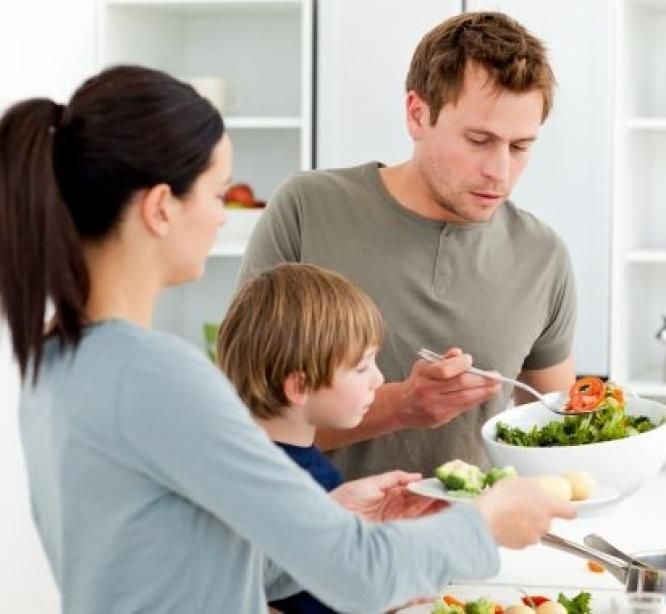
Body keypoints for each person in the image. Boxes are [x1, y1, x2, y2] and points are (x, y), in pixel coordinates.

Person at [0, 64, 574, 613]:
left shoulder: (56, 356)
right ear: (160, 208)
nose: (223, 217)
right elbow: (358, 573)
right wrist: (486, 522)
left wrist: (330, 514)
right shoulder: (157, 375)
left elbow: (174, 558)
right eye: (218, 194)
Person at [240, 11, 578, 480]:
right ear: (417, 114)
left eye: (520, 146)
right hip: (311, 540)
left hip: (470, 546)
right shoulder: (307, 209)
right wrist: (399, 406)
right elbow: (241, 421)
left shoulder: (544, 257)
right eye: (479, 140)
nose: (500, 172)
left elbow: (557, 435)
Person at [217, 262, 449, 614]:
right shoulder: (281, 487)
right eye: (362, 367)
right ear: (300, 386)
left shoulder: (257, 463)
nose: (378, 379)